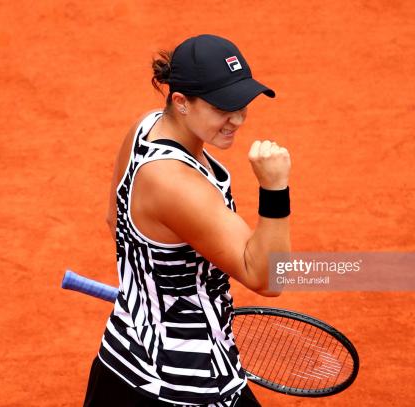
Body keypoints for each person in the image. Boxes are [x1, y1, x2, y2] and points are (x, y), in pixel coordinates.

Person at [83, 34, 291, 407]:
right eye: (223, 107)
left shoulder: (145, 128)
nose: (238, 118)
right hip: (184, 386)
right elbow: (267, 276)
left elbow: (115, 219)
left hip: (125, 362)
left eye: (242, 103)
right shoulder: (174, 182)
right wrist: (275, 189)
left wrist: (155, 293)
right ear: (180, 102)